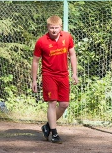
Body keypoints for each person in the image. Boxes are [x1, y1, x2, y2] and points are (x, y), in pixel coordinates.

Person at [31, 15, 78, 144]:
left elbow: (72, 54)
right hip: (49, 75)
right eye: (51, 28)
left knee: (64, 105)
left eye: (56, 28)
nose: (54, 30)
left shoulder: (67, 37)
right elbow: (35, 61)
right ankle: (54, 133)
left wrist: (74, 73)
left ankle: (47, 126)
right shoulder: (41, 41)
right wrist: (34, 80)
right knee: (52, 102)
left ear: (60, 27)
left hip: (63, 75)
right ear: (48, 27)